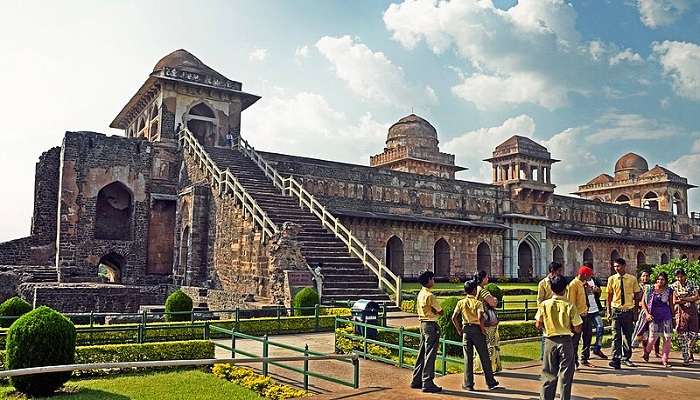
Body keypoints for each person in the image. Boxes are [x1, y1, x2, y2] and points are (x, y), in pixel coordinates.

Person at [536, 275, 583, 400]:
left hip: (549, 341)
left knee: (548, 374)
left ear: (551, 289)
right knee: (566, 376)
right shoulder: (569, 305)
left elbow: (538, 324)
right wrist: (570, 328)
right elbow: (578, 327)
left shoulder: (544, 305)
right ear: (565, 289)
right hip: (566, 341)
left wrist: (548, 326)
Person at [452, 279, 500, 391]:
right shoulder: (478, 303)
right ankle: (491, 382)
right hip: (477, 330)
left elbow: (454, 317)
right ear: (474, 290)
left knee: (468, 358)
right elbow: (480, 317)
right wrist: (482, 329)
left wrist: (459, 330)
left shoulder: (461, 302)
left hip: (466, 330)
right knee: (484, 357)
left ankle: (468, 384)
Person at [411, 270, 443, 393]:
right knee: (430, 354)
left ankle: (416, 379)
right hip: (430, 325)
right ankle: (427, 382)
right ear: (429, 280)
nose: (433, 281)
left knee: (422, 352)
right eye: (432, 279)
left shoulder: (421, 293)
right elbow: (440, 311)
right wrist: (436, 312)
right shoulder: (430, 295)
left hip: (423, 324)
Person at [606, 258, 641, 369]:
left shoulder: (632, 279)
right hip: (616, 310)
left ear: (624, 266)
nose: (616, 268)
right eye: (615, 266)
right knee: (616, 336)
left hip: (628, 311)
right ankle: (616, 359)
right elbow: (609, 296)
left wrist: (635, 313)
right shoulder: (612, 279)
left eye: (618, 266)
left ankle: (626, 358)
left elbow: (636, 296)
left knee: (627, 335)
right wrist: (608, 311)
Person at [641, 272, 674, 367]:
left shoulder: (669, 290)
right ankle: (647, 352)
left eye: (662, 279)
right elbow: (643, 302)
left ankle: (665, 360)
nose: (660, 281)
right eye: (658, 279)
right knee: (653, 338)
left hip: (666, 316)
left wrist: (673, 316)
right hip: (654, 316)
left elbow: (671, 304)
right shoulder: (649, 289)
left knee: (667, 338)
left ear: (666, 281)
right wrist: (647, 314)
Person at [474, 270, 502, 374]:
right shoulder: (482, 290)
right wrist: (495, 300)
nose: (488, 279)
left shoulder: (475, 289)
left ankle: (479, 367)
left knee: (479, 345)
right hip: (486, 320)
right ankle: (490, 367)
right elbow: (493, 303)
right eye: (486, 277)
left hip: (477, 319)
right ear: (482, 279)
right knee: (490, 342)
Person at [671, 268, 699, 366]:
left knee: (694, 334)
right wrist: (689, 298)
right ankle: (686, 358)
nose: (679, 278)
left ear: (685, 276)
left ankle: (688, 348)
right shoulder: (674, 286)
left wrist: (683, 298)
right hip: (681, 312)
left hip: (692, 311)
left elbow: (696, 297)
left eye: (681, 276)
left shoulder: (692, 283)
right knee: (682, 335)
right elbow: (675, 301)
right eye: (677, 277)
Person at [538, 262, 564, 359]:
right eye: (559, 271)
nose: (560, 272)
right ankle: (544, 356)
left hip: (558, 311)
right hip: (547, 311)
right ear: (553, 271)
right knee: (546, 334)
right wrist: (541, 314)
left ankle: (555, 355)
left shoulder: (560, 281)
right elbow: (540, 300)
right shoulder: (543, 283)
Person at [567, 266, 592, 368]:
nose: (589, 278)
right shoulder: (573, 284)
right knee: (575, 341)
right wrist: (573, 319)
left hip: (585, 314)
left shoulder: (582, 284)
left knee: (588, 337)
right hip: (578, 317)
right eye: (589, 276)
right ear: (584, 275)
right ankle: (574, 361)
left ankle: (584, 358)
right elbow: (571, 303)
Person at [582, 269, 608, 360]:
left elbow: (599, 294)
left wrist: (598, 291)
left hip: (595, 309)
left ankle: (597, 348)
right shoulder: (580, 282)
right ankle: (584, 354)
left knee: (600, 327)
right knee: (587, 334)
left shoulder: (595, 280)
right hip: (586, 311)